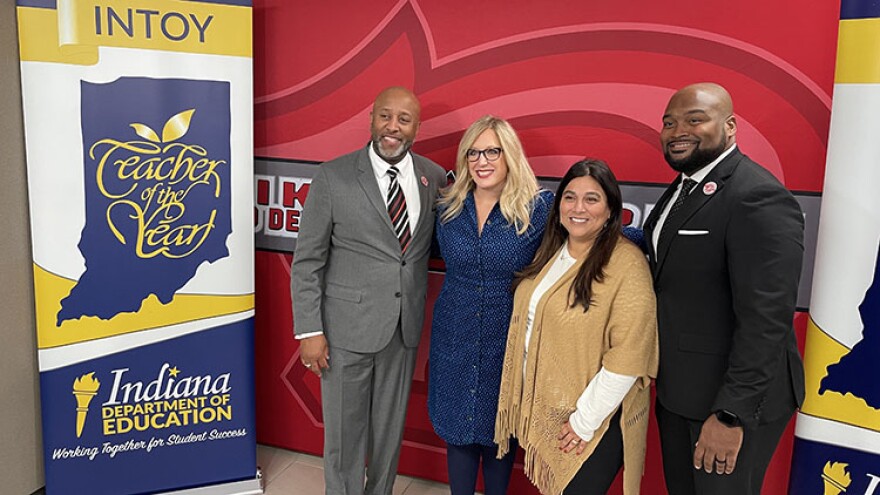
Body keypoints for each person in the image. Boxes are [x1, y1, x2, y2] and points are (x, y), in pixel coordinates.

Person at [643, 82, 805, 495]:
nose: (678, 130)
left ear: (730, 127)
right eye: (669, 122)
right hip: (681, 390)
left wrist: (731, 414)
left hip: (730, 402)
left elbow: (767, 318)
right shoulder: (684, 188)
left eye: (695, 119)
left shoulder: (757, 195)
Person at [290, 86, 447, 495]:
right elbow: (307, 261)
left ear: (416, 127)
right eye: (385, 116)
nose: (393, 127)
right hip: (344, 332)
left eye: (404, 119)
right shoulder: (333, 176)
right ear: (372, 119)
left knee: (388, 433)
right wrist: (310, 331)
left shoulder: (432, 177)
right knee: (344, 436)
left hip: (402, 330)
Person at [494, 159, 658, 495]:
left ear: (612, 210)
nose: (578, 208)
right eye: (569, 197)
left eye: (591, 199)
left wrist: (583, 422)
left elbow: (628, 357)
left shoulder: (627, 264)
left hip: (591, 422)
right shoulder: (552, 252)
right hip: (549, 409)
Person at [428, 116, 552, 495]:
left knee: (500, 432)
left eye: (492, 151)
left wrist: (646, 239)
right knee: (457, 431)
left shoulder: (539, 208)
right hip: (454, 332)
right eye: (473, 153)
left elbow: (587, 232)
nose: (482, 161)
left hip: (508, 337)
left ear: (509, 154)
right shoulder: (448, 207)